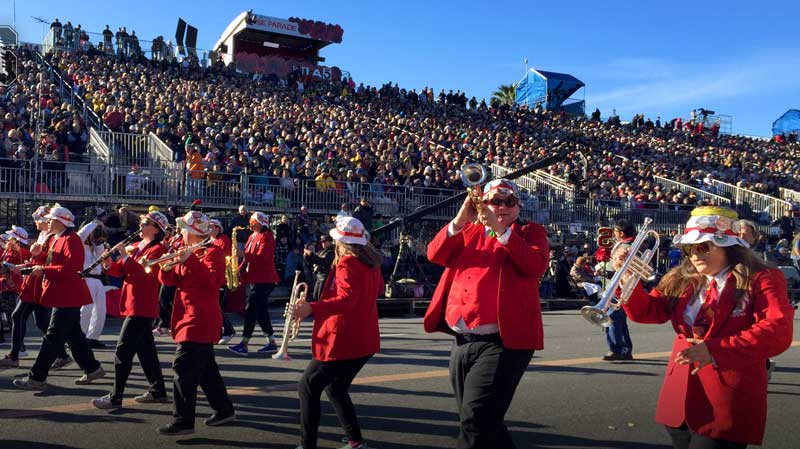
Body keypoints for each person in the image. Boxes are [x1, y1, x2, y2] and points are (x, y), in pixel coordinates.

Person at [620, 206, 794, 448]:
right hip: (678, 397)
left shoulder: (762, 277)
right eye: (689, 248)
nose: (694, 255)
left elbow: (777, 330)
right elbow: (650, 312)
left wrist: (716, 350)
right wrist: (630, 284)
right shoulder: (682, 278)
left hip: (726, 398)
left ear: (729, 246)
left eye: (703, 246)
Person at [424, 179, 549, 449]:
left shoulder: (530, 232)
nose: (502, 207)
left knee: (475, 420)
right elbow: (434, 254)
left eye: (510, 202)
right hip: (462, 338)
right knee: (484, 421)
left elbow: (534, 265)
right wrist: (459, 219)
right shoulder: (468, 230)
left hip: (503, 342)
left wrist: (498, 228)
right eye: (495, 202)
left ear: (518, 206)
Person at [293, 217, 382, 449]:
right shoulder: (370, 261)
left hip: (343, 339)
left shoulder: (348, 263)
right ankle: (355, 441)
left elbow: (346, 300)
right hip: (364, 338)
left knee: (307, 386)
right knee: (335, 388)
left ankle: (307, 444)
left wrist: (311, 307)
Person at [157, 211, 235, 435]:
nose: (180, 231)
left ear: (193, 232)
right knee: (206, 370)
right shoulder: (188, 251)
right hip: (187, 316)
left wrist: (188, 259)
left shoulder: (213, 253)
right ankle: (224, 409)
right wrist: (168, 266)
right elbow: (171, 281)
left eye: (184, 228)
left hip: (200, 318)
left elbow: (212, 283)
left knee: (183, 367)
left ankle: (183, 420)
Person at [13, 206, 105, 390]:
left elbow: (72, 268)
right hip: (64, 295)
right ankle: (92, 368)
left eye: (51, 219)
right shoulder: (59, 238)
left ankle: (37, 377)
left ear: (60, 221)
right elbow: (55, 262)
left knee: (53, 337)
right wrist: (38, 259)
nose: (47, 222)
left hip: (68, 296)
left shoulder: (71, 239)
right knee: (74, 336)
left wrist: (43, 269)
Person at [92, 211, 170, 409]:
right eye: (142, 223)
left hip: (142, 305)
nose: (141, 226)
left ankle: (116, 396)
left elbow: (145, 275)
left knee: (123, 351)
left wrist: (125, 257)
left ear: (156, 229)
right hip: (132, 303)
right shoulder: (136, 246)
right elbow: (122, 270)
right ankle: (158, 390)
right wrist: (109, 262)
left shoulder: (158, 249)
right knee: (146, 352)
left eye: (146, 223)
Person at [229, 211, 280, 355]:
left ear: (258, 222)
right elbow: (247, 260)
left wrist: (243, 254)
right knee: (261, 311)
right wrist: (236, 271)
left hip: (265, 279)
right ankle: (271, 342)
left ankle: (244, 343)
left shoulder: (267, 236)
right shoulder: (252, 236)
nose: (249, 223)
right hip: (255, 278)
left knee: (251, 308)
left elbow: (262, 257)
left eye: (252, 220)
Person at [602, 219, 636, 361]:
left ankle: (616, 349)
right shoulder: (623, 244)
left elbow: (626, 268)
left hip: (620, 287)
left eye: (615, 232)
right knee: (618, 319)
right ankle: (625, 349)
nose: (613, 234)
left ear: (621, 233)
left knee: (613, 317)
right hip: (614, 286)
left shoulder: (628, 246)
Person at [77, 220, 108, 349]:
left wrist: (99, 241)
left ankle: (93, 337)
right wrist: (95, 223)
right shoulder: (78, 242)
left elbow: (102, 256)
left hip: (97, 279)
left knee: (100, 310)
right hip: (86, 278)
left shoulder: (95, 246)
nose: (95, 233)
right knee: (86, 310)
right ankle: (79, 337)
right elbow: (81, 234)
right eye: (94, 231)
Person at [0, 227, 31, 344]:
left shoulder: (21, 252)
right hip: (4, 286)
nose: (9, 239)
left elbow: (31, 261)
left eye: (11, 238)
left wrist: (14, 266)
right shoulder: (8, 251)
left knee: (13, 318)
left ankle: (19, 348)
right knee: (11, 317)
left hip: (13, 288)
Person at [209, 219, 235, 344]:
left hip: (222, 277)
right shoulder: (209, 241)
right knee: (213, 307)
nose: (209, 229)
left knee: (217, 307)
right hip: (213, 277)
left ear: (218, 228)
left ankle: (229, 330)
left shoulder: (223, 239)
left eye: (211, 227)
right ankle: (216, 333)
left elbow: (223, 254)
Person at [304, 235, 335, 301]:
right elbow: (314, 260)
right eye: (322, 242)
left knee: (320, 296)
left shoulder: (331, 252)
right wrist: (307, 256)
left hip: (325, 277)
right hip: (319, 276)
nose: (323, 243)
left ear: (329, 242)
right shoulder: (322, 251)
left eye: (324, 242)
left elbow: (324, 262)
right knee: (315, 296)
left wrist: (311, 254)